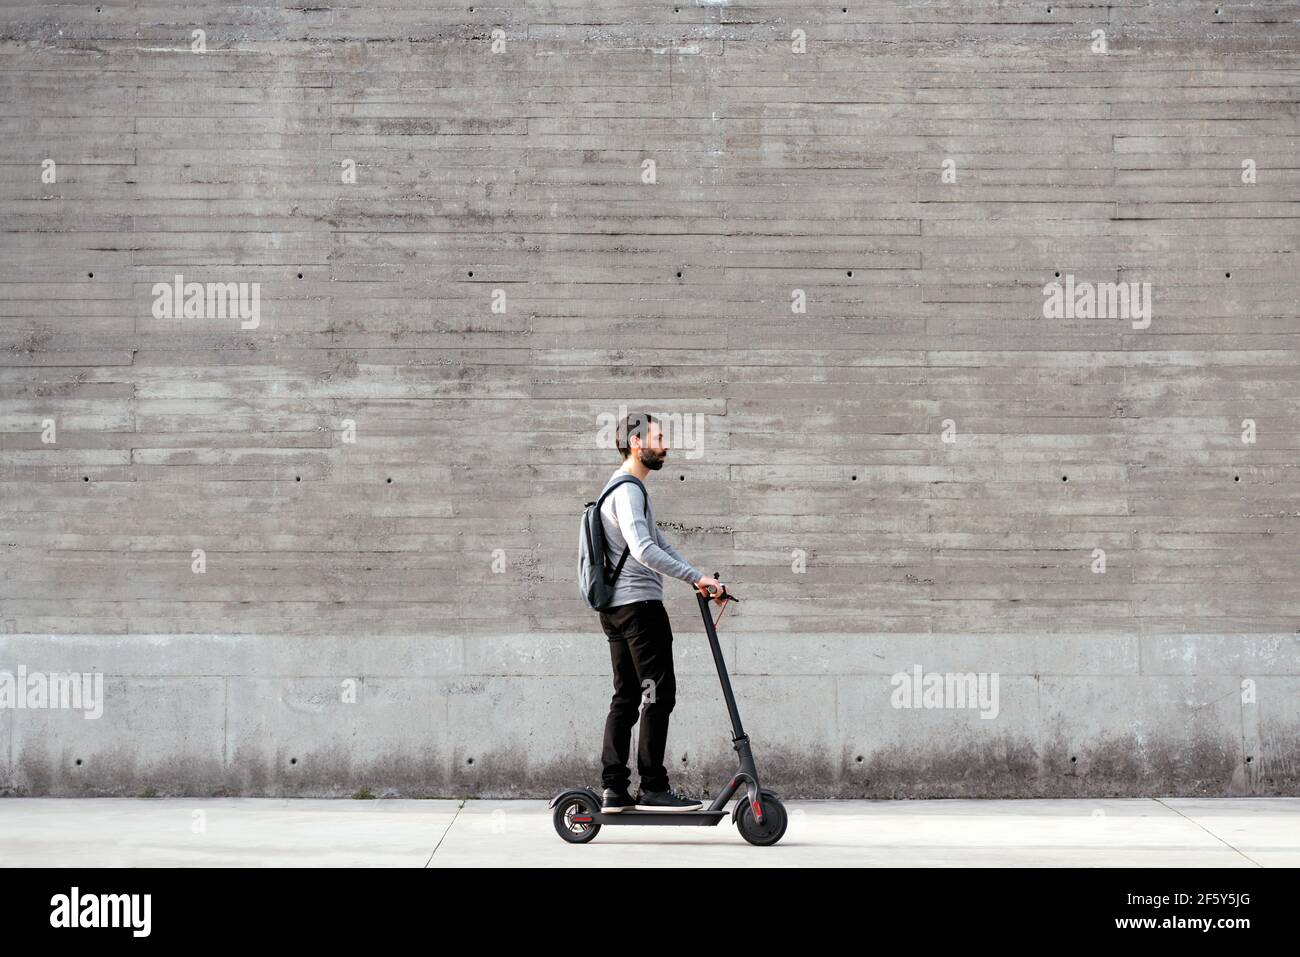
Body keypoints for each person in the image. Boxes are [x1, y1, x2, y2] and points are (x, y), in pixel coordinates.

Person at [596, 412, 726, 813]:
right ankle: (653, 787)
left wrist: (697, 578)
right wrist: (694, 576)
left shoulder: (620, 490)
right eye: (659, 436)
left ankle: (614, 789)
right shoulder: (629, 490)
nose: (665, 444)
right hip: (640, 609)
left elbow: (661, 544)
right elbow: (643, 549)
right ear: (636, 442)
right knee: (658, 695)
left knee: (627, 696)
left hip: (617, 610)